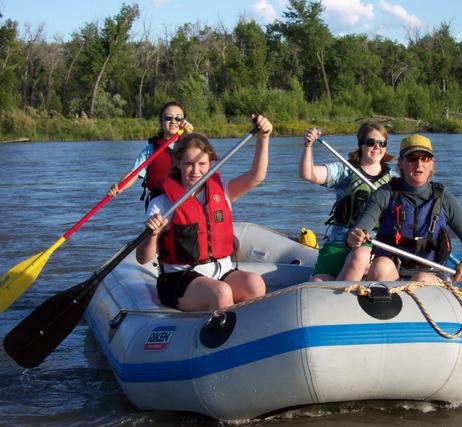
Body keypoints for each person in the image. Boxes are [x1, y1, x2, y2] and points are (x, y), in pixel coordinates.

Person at [136, 115, 272, 311]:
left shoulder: (223, 191)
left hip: (221, 272)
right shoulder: (162, 203)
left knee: (255, 283)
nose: (195, 170)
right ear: (178, 163)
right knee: (221, 292)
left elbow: (257, 176)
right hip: (180, 278)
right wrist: (153, 233)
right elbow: (143, 257)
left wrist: (264, 138)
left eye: (202, 164)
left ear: (211, 165)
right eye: (189, 164)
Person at [346, 134, 462, 284]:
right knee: (379, 266)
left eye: (425, 158)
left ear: (431, 164)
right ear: (401, 163)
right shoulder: (384, 194)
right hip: (392, 274)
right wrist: (354, 236)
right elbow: (359, 230)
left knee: (420, 278)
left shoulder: (445, 200)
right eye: (412, 159)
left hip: (431, 275)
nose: (419, 164)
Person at [299, 122, 394, 281]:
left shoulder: (394, 180)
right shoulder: (345, 172)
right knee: (317, 284)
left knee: (360, 256)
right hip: (338, 243)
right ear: (361, 144)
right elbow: (308, 174)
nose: (377, 147)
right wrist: (308, 146)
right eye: (371, 142)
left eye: (382, 143)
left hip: (372, 245)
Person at [108, 100, 194, 204]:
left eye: (178, 118)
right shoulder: (150, 150)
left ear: (183, 122)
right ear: (161, 121)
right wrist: (119, 187)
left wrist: (190, 134)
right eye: (168, 118)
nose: (173, 121)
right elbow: (134, 173)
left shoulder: (190, 145)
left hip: (184, 200)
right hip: (159, 203)